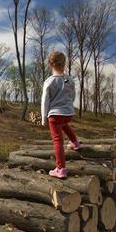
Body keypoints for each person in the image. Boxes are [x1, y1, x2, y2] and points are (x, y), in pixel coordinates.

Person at [41, 51, 80, 179]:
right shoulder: (69, 79)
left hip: (54, 114)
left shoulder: (49, 81)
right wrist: (69, 106)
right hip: (68, 113)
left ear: (50, 64)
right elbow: (73, 95)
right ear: (64, 64)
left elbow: (45, 101)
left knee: (58, 141)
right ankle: (75, 142)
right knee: (64, 124)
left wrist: (43, 118)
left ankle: (61, 169)